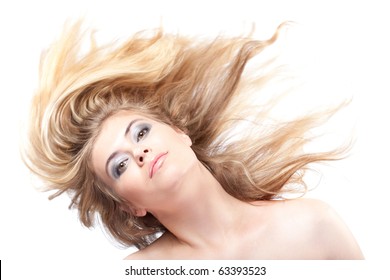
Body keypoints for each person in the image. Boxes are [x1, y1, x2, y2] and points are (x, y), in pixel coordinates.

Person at [22, 20, 364, 259]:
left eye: (141, 132)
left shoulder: (313, 225)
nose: (139, 152)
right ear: (130, 206)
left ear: (180, 132)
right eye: (120, 165)